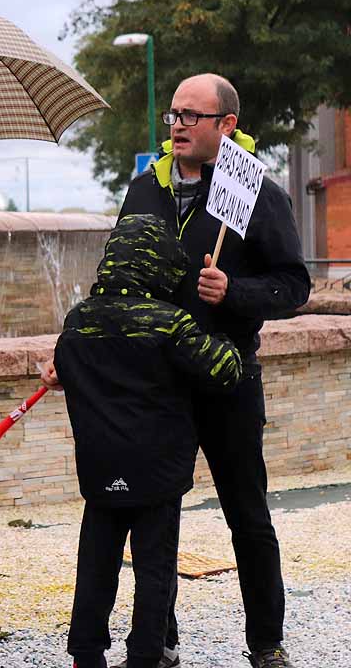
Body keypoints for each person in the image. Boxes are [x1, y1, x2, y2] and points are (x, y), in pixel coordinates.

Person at [43, 74, 309, 668]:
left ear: (227, 126)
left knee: (248, 513)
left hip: (227, 378)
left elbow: (294, 286)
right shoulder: (145, 189)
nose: (180, 124)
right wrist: (85, 345)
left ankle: (266, 642)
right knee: (151, 514)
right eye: (174, 115)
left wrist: (234, 291)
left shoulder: (257, 193)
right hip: (153, 386)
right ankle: (158, 641)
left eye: (194, 115)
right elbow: (116, 278)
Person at [53, 214, 242, 668]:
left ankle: (85, 654)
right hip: (157, 471)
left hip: (99, 467)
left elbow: (67, 369)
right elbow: (225, 370)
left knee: (96, 561)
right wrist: (221, 333)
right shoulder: (169, 324)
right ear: (160, 266)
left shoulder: (78, 321)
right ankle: (146, 655)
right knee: (154, 568)